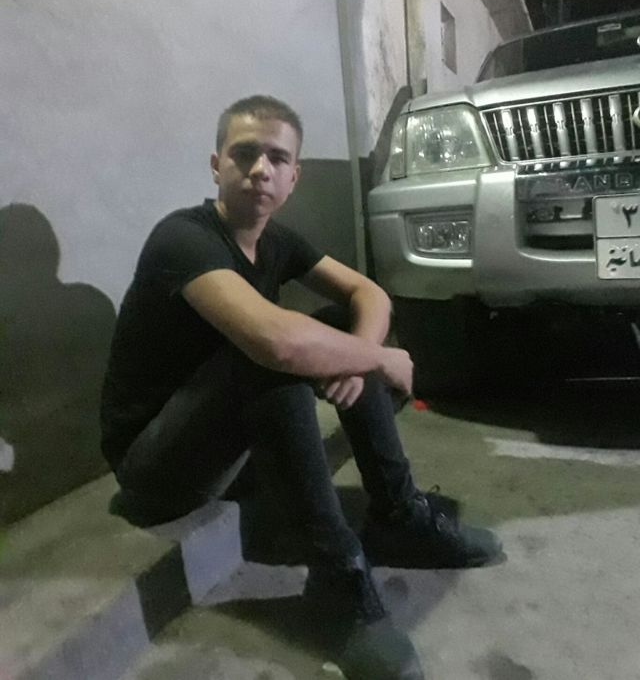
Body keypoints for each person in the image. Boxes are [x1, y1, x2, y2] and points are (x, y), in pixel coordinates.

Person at [101, 95, 502, 679]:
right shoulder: (181, 239)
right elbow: (275, 343)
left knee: (337, 330)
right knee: (273, 355)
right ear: (216, 165)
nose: (260, 169)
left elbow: (369, 293)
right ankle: (336, 579)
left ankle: (399, 517)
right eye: (244, 154)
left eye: (277, 158)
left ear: (294, 176)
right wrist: (378, 358)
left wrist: (354, 359)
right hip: (156, 470)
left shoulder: (277, 242)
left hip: (227, 444)